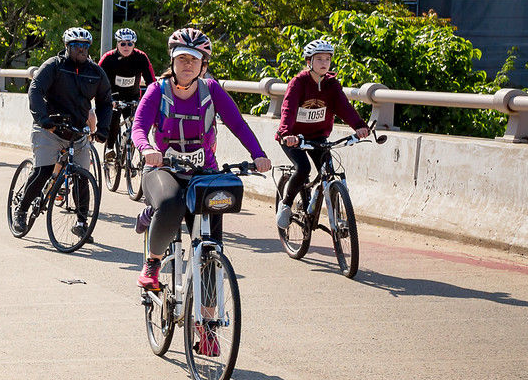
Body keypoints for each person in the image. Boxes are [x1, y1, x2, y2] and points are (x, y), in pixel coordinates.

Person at [131, 28, 272, 290]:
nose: (188, 64)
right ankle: (153, 262)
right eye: (182, 58)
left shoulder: (211, 90)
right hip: (163, 169)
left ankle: (208, 314)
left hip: (204, 171)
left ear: (203, 65)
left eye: (194, 59)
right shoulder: (157, 90)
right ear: (172, 60)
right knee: (171, 203)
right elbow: (138, 127)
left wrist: (258, 154)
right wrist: (146, 148)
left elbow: (238, 124)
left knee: (211, 245)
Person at [12, 27, 113, 239]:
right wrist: (43, 119)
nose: (81, 50)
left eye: (85, 46)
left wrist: (103, 130)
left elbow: (105, 102)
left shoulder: (95, 72)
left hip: (77, 132)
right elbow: (35, 90)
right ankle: (21, 211)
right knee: (44, 170)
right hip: (50, 129)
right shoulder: (54, 66)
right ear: (67, 47)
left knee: (82, 177)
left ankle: (82, 223)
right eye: (76, 46)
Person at [275, 38, 371, 228]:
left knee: (329, 172)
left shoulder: (331, 84)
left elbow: (344, 107)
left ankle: (337, 218)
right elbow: (288, 110)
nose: (324, 63)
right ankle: (286, 204)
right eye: (319, 59)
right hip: (294, 138)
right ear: (309, 61)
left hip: (318, 137)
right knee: (303, 168)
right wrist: (286, 134)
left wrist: (359, 126)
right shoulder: (298, 83)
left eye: (327, 59)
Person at [99, 28, 158, 147]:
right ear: (117, 44)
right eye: (123, 44)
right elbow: (97, 79)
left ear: (134, 45)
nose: (126, 47)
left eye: (130, 44)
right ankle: (110, 149)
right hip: (113, 97)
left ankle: (129, 147)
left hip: (132, 96)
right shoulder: (108, 58)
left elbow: (151, 82)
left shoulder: (141, 57)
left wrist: (151, 99)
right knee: (113, 122)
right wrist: (105, 99)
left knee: (136, 126)